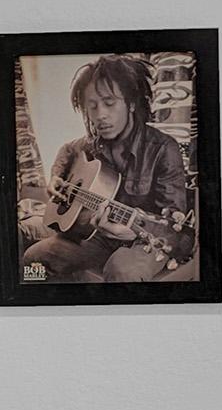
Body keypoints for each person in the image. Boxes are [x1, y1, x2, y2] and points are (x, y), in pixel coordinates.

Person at [22, 55, 191, 283]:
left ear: (131, 103)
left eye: (109, 103)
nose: (100, 114)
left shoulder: (163, 148)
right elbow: (67, 150)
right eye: (92, 106)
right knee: (34, 259)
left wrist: (131, 231)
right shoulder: (91, 144)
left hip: (144, 239)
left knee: (122, 270)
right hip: (98, 236)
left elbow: (172, 224)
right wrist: (56, 178)